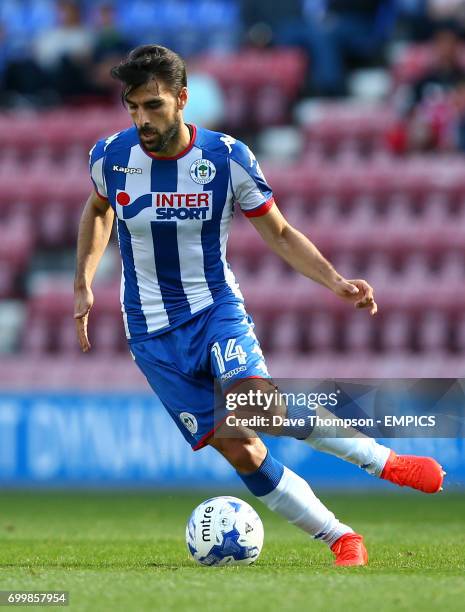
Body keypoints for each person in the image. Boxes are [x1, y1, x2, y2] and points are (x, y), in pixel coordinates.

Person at [74, 45, 445, 567]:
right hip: (151, 335)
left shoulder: (226, 158)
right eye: (132, 107)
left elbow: (281, 232)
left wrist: (335, 281)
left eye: (153, 106)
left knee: (259, 406)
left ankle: (385, 462)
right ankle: (342, 538)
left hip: (213, 310)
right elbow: (97, 210)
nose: (142, 120)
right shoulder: (110, 157)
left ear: (183, 99)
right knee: (241, 448)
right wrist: (83, 283)